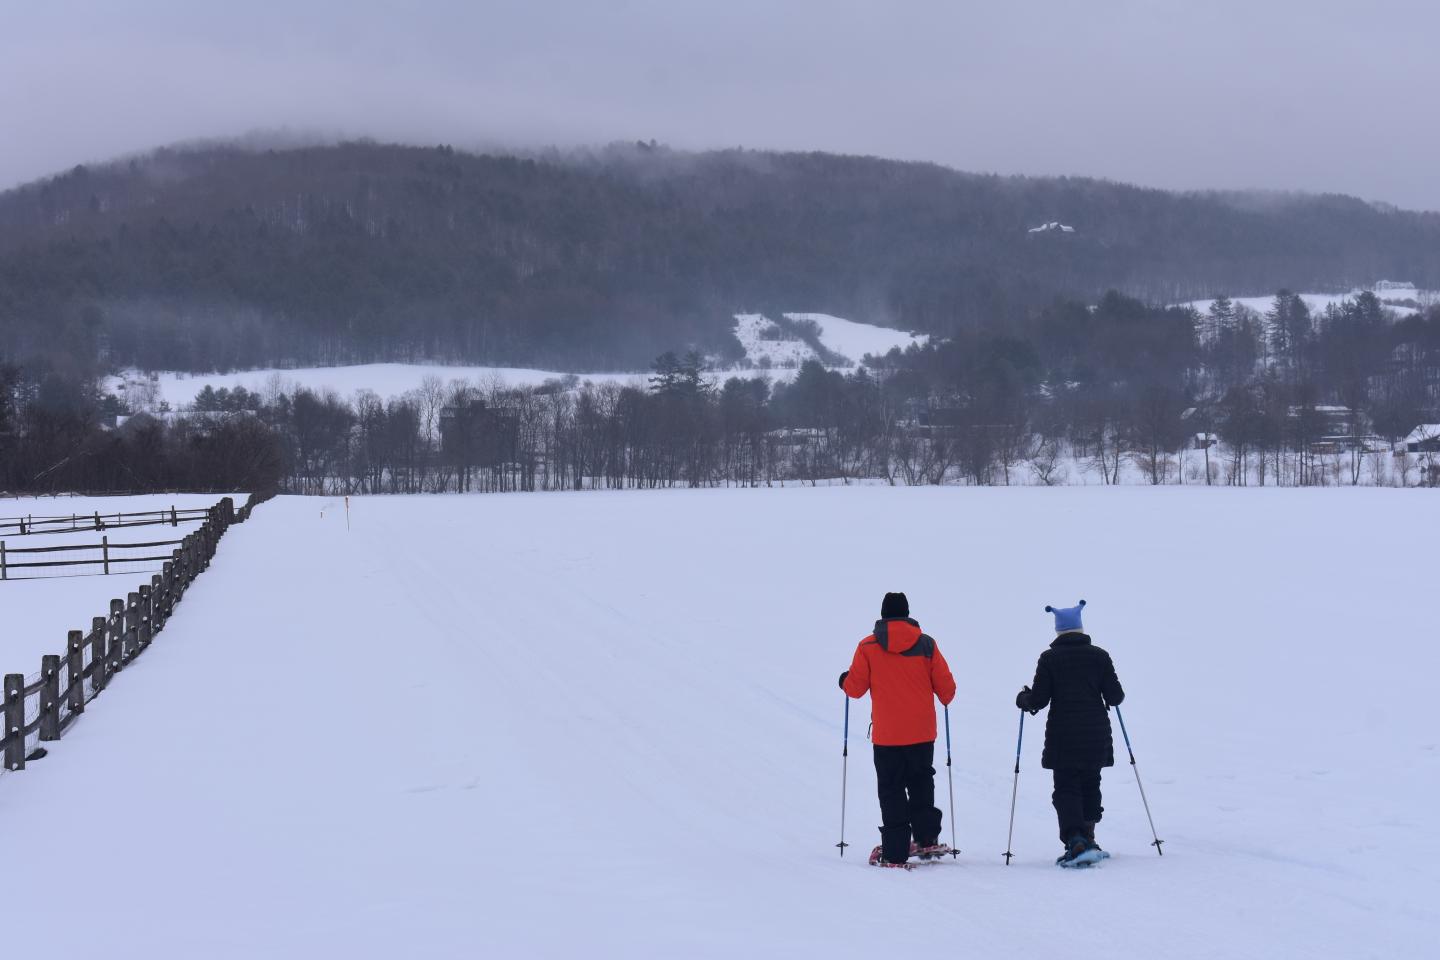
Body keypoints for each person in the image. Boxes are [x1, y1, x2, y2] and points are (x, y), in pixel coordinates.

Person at [839, 592, 956, 867]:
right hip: (922, 733)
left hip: (888, 736)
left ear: (882, 615)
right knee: (921, 784)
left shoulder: (868, 646)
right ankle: (927, 839)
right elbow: (947, 691)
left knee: (891, 790)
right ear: (907, 614)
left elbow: (854, 689)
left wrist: (844, 680)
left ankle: (895, 851)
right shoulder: (927, 645)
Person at [1016, 599, 1125, 867]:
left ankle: (1075, 839)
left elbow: (1039, 700)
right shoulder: (1100, 656)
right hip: (1095, 734)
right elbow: (1115, 696)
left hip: (1063, 735)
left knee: (1066, 788)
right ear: (1080, 627)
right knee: (1091, 782)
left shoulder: (1049, 658)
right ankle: (1089, 836)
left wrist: (1023, 699)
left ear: (1058, 630)